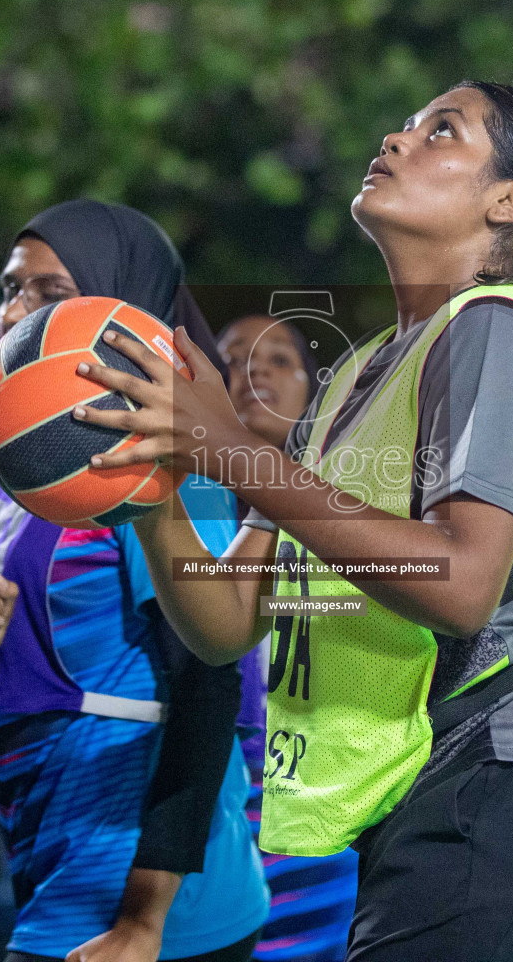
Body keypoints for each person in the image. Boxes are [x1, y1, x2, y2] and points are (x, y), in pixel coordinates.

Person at [73, 81, 513, 962]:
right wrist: (153, 491)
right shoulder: (348, 386)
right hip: (438, 805)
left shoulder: (495, 328)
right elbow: (228, 623)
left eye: (441, 131)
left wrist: (230, 449)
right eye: (409, 124)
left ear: (510, 200)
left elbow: (463, 585)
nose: (397, 136)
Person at [0, 199, 269, 962]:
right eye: (9, 290)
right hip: (58, 884)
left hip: (159, 908)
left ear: (121, 305)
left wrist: (145, 920)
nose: (18, 310)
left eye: (51, 293)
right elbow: (15, 723)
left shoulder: (162, 465)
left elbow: (211, 681)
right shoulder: (28, 480)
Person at [216, 314, 360, 962]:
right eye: (235, 359)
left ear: (315, 389)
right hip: (211, 820)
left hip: (322, 821)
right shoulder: (170, 514)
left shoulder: (359, 507)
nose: (256, 372)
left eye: (279, 358)